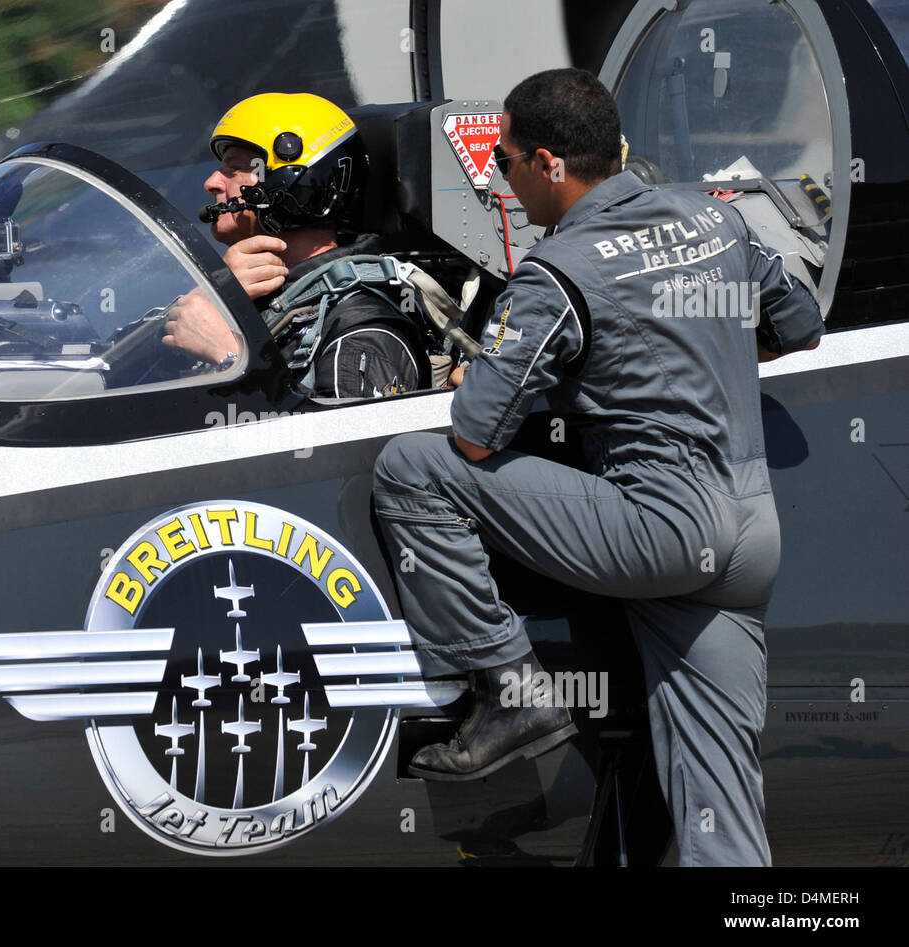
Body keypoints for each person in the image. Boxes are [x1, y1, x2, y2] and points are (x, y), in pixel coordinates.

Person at [372, 68, 822, 866]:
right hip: (751, 537)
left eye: (504, 163)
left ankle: (512, 694)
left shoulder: (558, 272)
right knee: (721, 812)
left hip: (658, 531)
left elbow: (475, 440)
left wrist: (482, 371)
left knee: (412, 466)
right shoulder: (715, 222)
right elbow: (799, 324)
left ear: (549, 164)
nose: (499, 181)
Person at [161, 92, 429, 397]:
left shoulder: (361, 326)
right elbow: (115, 369)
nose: (211, 182)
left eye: (234, 169)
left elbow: (351, 442)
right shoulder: (252, 294)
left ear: (288, 181)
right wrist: (215, 292)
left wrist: (232, 358)